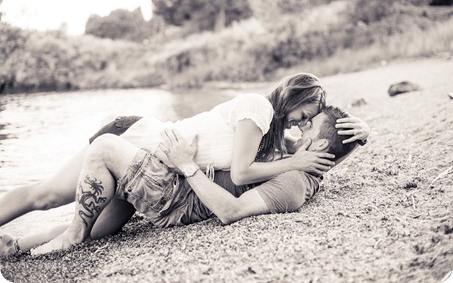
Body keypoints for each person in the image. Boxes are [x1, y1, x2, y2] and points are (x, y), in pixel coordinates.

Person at [0, 73, 369, 255]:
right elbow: (245, 173)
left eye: (311, 122)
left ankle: (16, 245)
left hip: (157, 165)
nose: (303, 123)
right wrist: (305, 156)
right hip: (137, 138)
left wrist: (362, 133)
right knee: (46, 195)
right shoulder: (259, 110)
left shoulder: (275, 139)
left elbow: (318, 157)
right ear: (293, 97)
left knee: (98, 231)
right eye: (307, 113)